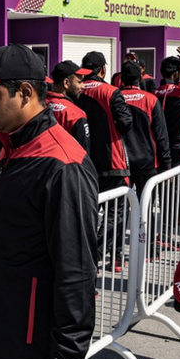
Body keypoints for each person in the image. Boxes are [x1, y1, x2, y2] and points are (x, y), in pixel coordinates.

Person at [0, 44, 98, 359]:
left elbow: (77, 274)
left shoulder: (60, 165)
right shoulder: (10, 148)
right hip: (4, 336)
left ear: (24, 93)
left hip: (30, 351)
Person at [77, 51, 131, 270]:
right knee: (116, 213)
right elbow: (126, 123)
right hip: (112, 162)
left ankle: (93, 256)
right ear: (102, 70)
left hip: (83, 160)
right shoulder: (111, 92)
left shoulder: (75, 91)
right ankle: (95, 257)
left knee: (89, 213)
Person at [119, 61, 171, 193]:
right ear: (140, 78)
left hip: (122, 162)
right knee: (146, 207)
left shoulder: (114, 98)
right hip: (147, 162)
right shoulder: (151, 99)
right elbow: (161, 135)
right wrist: (167, 165)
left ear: (121, 78)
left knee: (121, 208)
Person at [46, 60, 92, 152]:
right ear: (66, 83)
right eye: (79, 82)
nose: (83, 86)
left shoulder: (38, 105)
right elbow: (83, 153)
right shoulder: (76, 114)